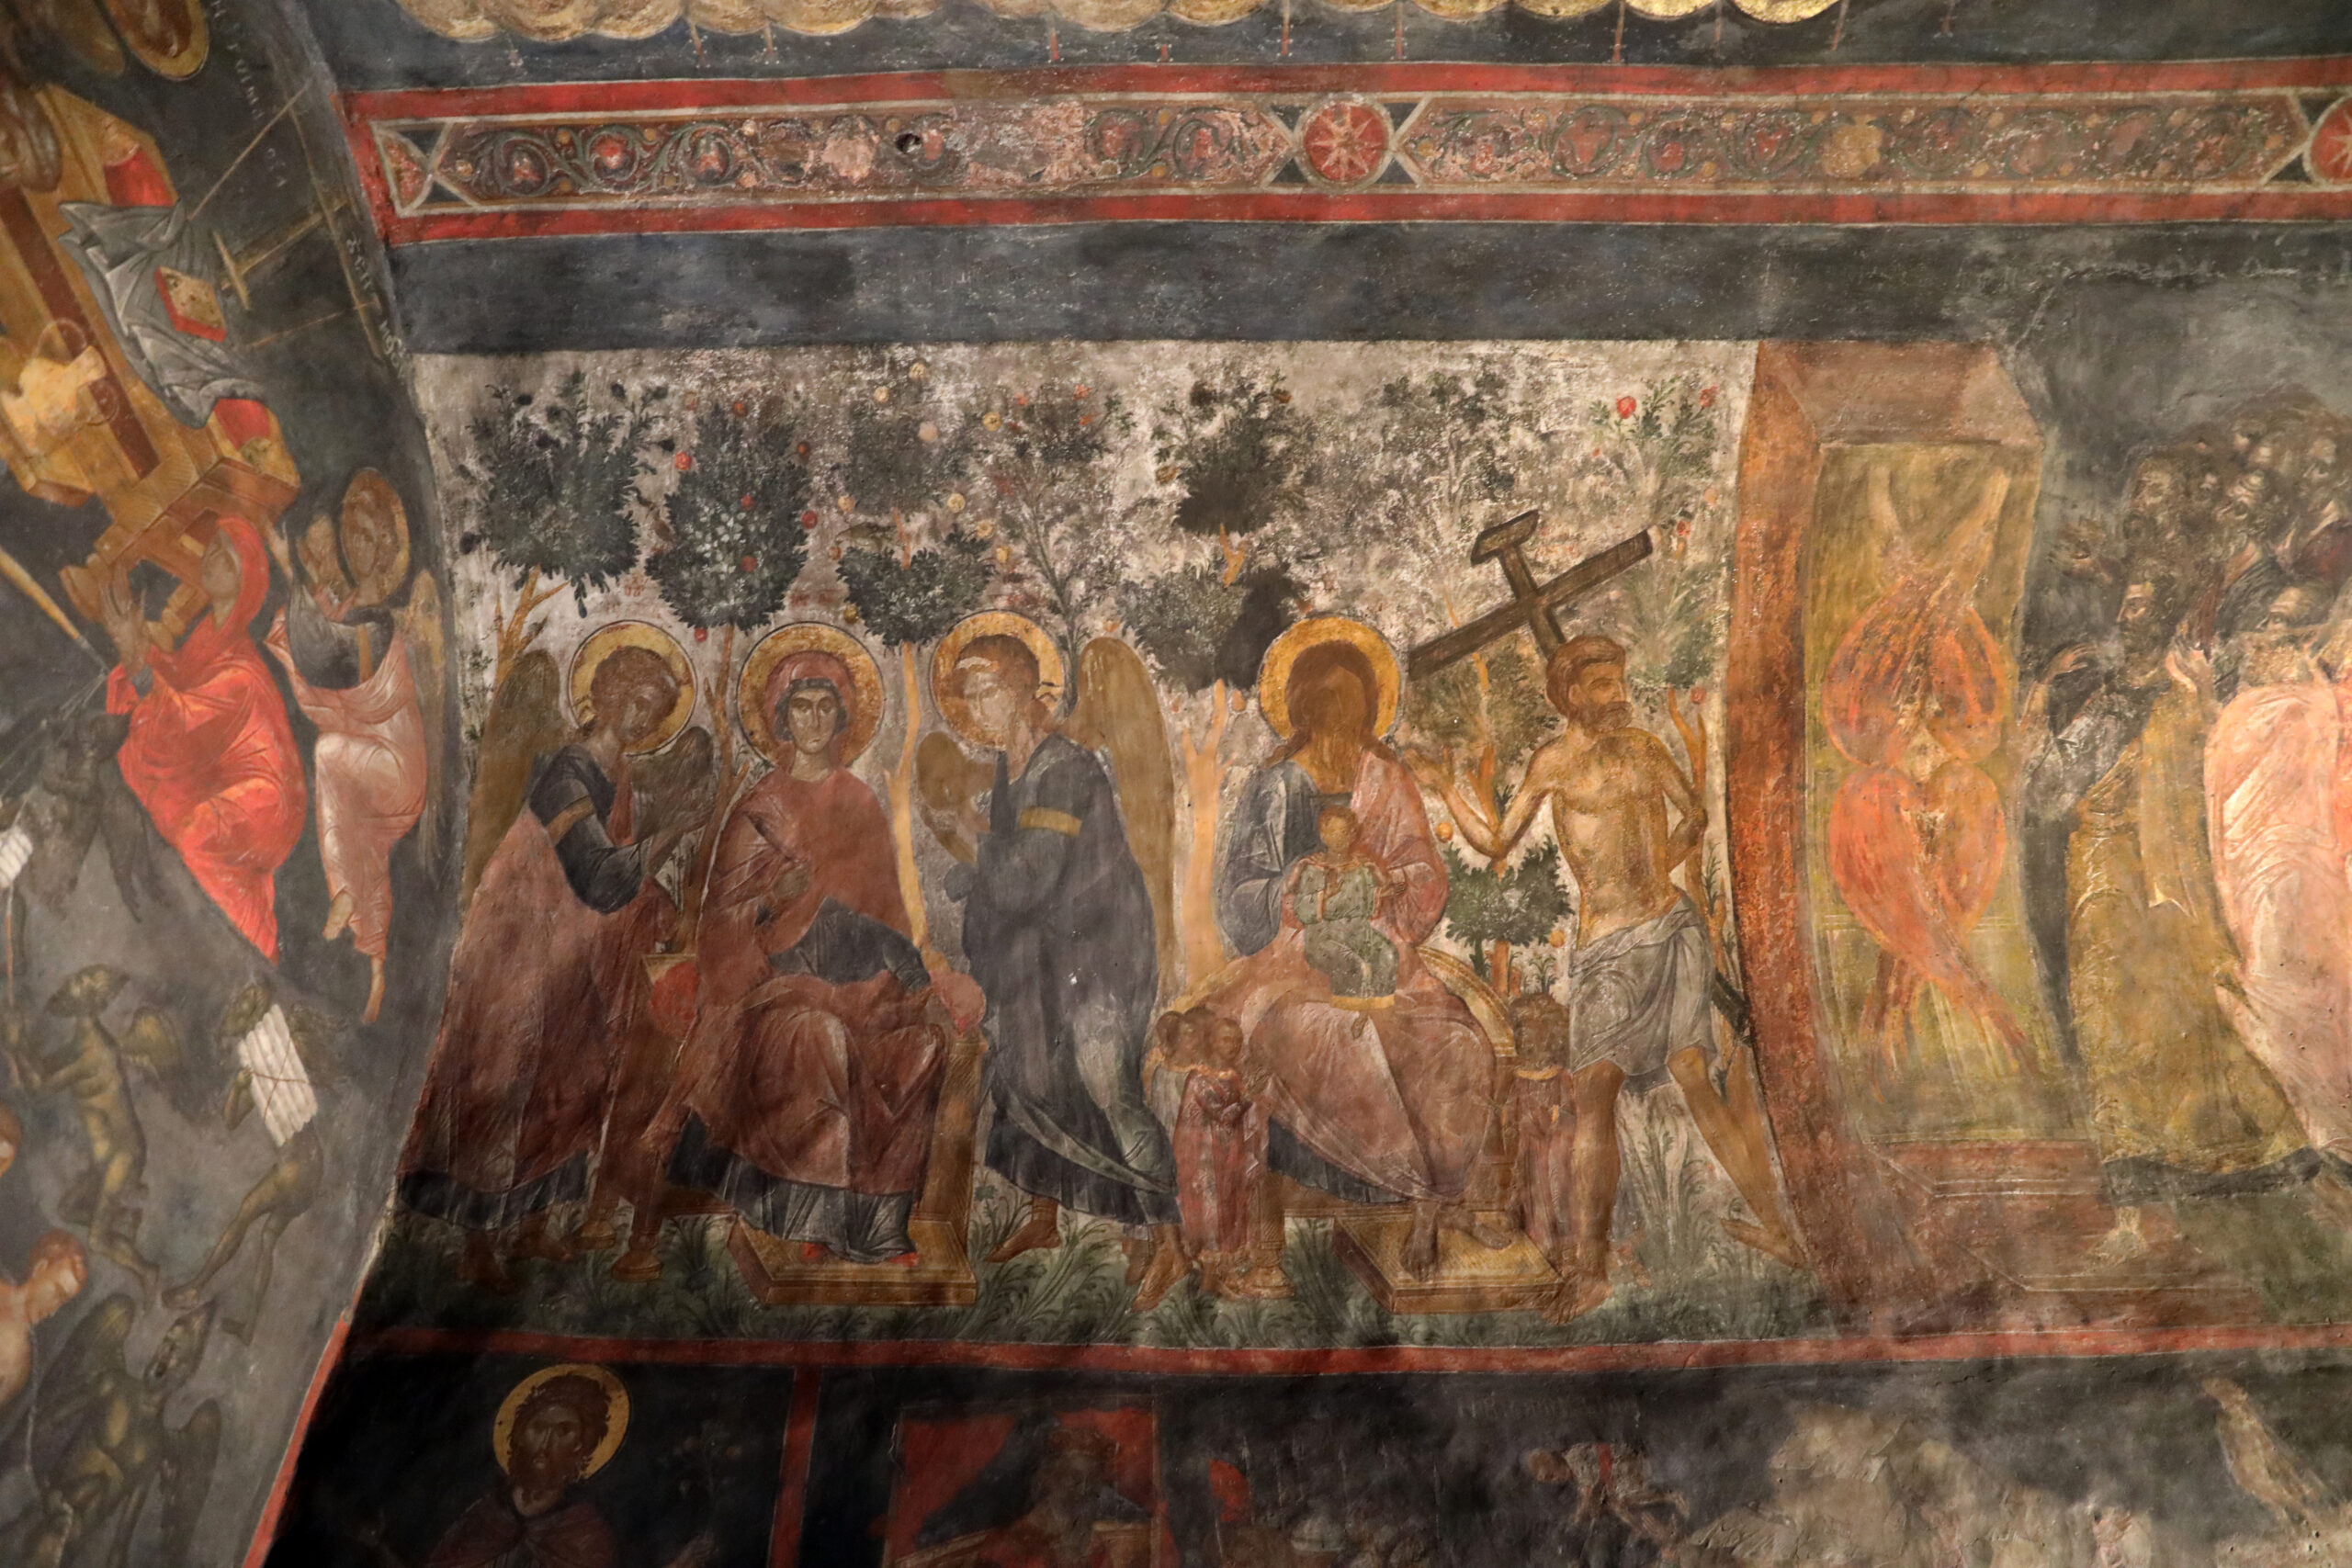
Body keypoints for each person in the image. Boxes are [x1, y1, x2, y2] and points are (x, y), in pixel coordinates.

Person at [1419, 636, 1799, 1321]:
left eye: (1619, 681)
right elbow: (1498, 840)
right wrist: (1447, 787)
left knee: (1694, 1075)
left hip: (1671, 927)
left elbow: (1695, 814)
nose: (1618, 695)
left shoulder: (1645, 749)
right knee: (1594, 1093)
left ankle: (1778, 1226)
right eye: (1601, 685)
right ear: (1570, 695)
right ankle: (1590, 1270)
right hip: (1606, 948)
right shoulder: (1555, 763)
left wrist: (1659, 867)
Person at [632, 634, 958, 1278]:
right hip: (770, 992)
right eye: (800, 706)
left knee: (920, 1047)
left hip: (860, 984)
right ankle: (817, 1220)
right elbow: (723, 923)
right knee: (819, 1037)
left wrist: (902, 979)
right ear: (781, 718)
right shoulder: (761, 807)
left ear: (843, 717)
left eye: (825, 706)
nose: (813, 719)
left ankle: (879, 1225)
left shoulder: (860, 801)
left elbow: (887, 912)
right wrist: (772, 902)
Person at [2018, 583, 2308, 1254]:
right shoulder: (2108, 704)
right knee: (2113, 1025)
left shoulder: (2181, 703)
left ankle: (2235, 1163)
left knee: (2192, 1019)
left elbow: (2225, 782)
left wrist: (2202, 702)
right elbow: (2048, 791)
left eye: (2144, 605)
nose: (2129, 616)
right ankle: (2136, 1194)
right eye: (2127, 604)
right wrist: (2039, 699)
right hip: (2105, 886)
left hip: (2171, 888)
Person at [400, 637, 689, 1294]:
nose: (641, 716)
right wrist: (669, 833)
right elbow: (597, 874)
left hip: (574, 953)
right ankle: (477, 1243)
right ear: (605, 694)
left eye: (654, 709)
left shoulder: (620, 777)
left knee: (571, 1078)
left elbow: (617, 879)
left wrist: (658, 897)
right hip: (519, 947)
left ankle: (534, 1224)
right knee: (504, 1079)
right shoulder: (567, 771)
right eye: (634, 699)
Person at [1210, 621, 1495, 1281]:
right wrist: (1298, 886)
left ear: (1370, 706)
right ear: (1303, 706)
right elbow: (1239, 892)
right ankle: (1404, 1188)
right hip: (1289, 959)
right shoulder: (1276, 784)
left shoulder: (1386, 778)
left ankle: (1432, 1202)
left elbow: (1424, 871)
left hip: (1382, 948)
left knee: (1456, 1038)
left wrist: (1390, 884)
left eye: (1354, 701)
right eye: (1328, 701)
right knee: (1338, 1035)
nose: (1341, 715)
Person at [943, 626, 1186, 1307]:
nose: (978, 708)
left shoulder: (1067, 768)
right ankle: (1044, 1217)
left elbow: (1029, 877)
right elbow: (1010, 865)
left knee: (1108, 1082)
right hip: (1043, 953)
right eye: (969, 696)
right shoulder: (1010, 769)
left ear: (1026, 690)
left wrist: (972, 841)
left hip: (1097, 950)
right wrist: (975, 866)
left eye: (988, 691)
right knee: (1030, 1071)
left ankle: (1169, 1241)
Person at [95, 516, 305, 962]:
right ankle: (251, 930)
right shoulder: (209, 638)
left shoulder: (242, 671)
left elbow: (186, 721)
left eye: (227, 555)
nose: (211, 556)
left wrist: (138, 657)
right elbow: (179, 681)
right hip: (228, 783)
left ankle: (242, 952)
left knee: (199, 835)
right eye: (213, 545)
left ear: (245, 583)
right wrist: (137, 653)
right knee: (191, 831)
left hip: (269, 801)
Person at [261, 477, 432, 1024]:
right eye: (349, 535)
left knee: (330, 754)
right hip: (371, 772)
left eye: (365, 538)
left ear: (383, 547)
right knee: (362, 845)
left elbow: (320, 658)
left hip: (398, 770)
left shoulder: (377, 621)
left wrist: (289, 573)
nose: (350, 550)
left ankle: (347, 898)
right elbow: (322, 690)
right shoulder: (347, 608)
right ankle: (373, 959)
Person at [2200, 586, 2352, 1163]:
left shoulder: (2316, 705)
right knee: (2283, 991)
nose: (2263, 635)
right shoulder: (2255, 706)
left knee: (2302, 993)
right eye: (2264, 622)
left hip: (2302, 872)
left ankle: (2335, 1131)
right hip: (2257, 872)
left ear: (2308, 636)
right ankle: (2328, 1131)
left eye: (2279, 623)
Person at [1287, 804, 1399, 1000]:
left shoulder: (1362, 868)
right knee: (1352, 964)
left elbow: (1366, 904)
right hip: (1324, 938)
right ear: (1323, 835)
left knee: (1388, 954)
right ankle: (1350, 1008)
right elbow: (1301, 909)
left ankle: (1379, 1007)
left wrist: (1381, 892)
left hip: (1360, 935)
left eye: (1344, 832)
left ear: (1352, 835)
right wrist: (1325, 896)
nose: (1339, 838)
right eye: (1333, 832)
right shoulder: (1314, 869)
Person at [0, 1232, 85, 1414]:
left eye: (62, 1302)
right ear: (40, 1268)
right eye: (57, 1292)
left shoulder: (19, 1363)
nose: (53, 1309)